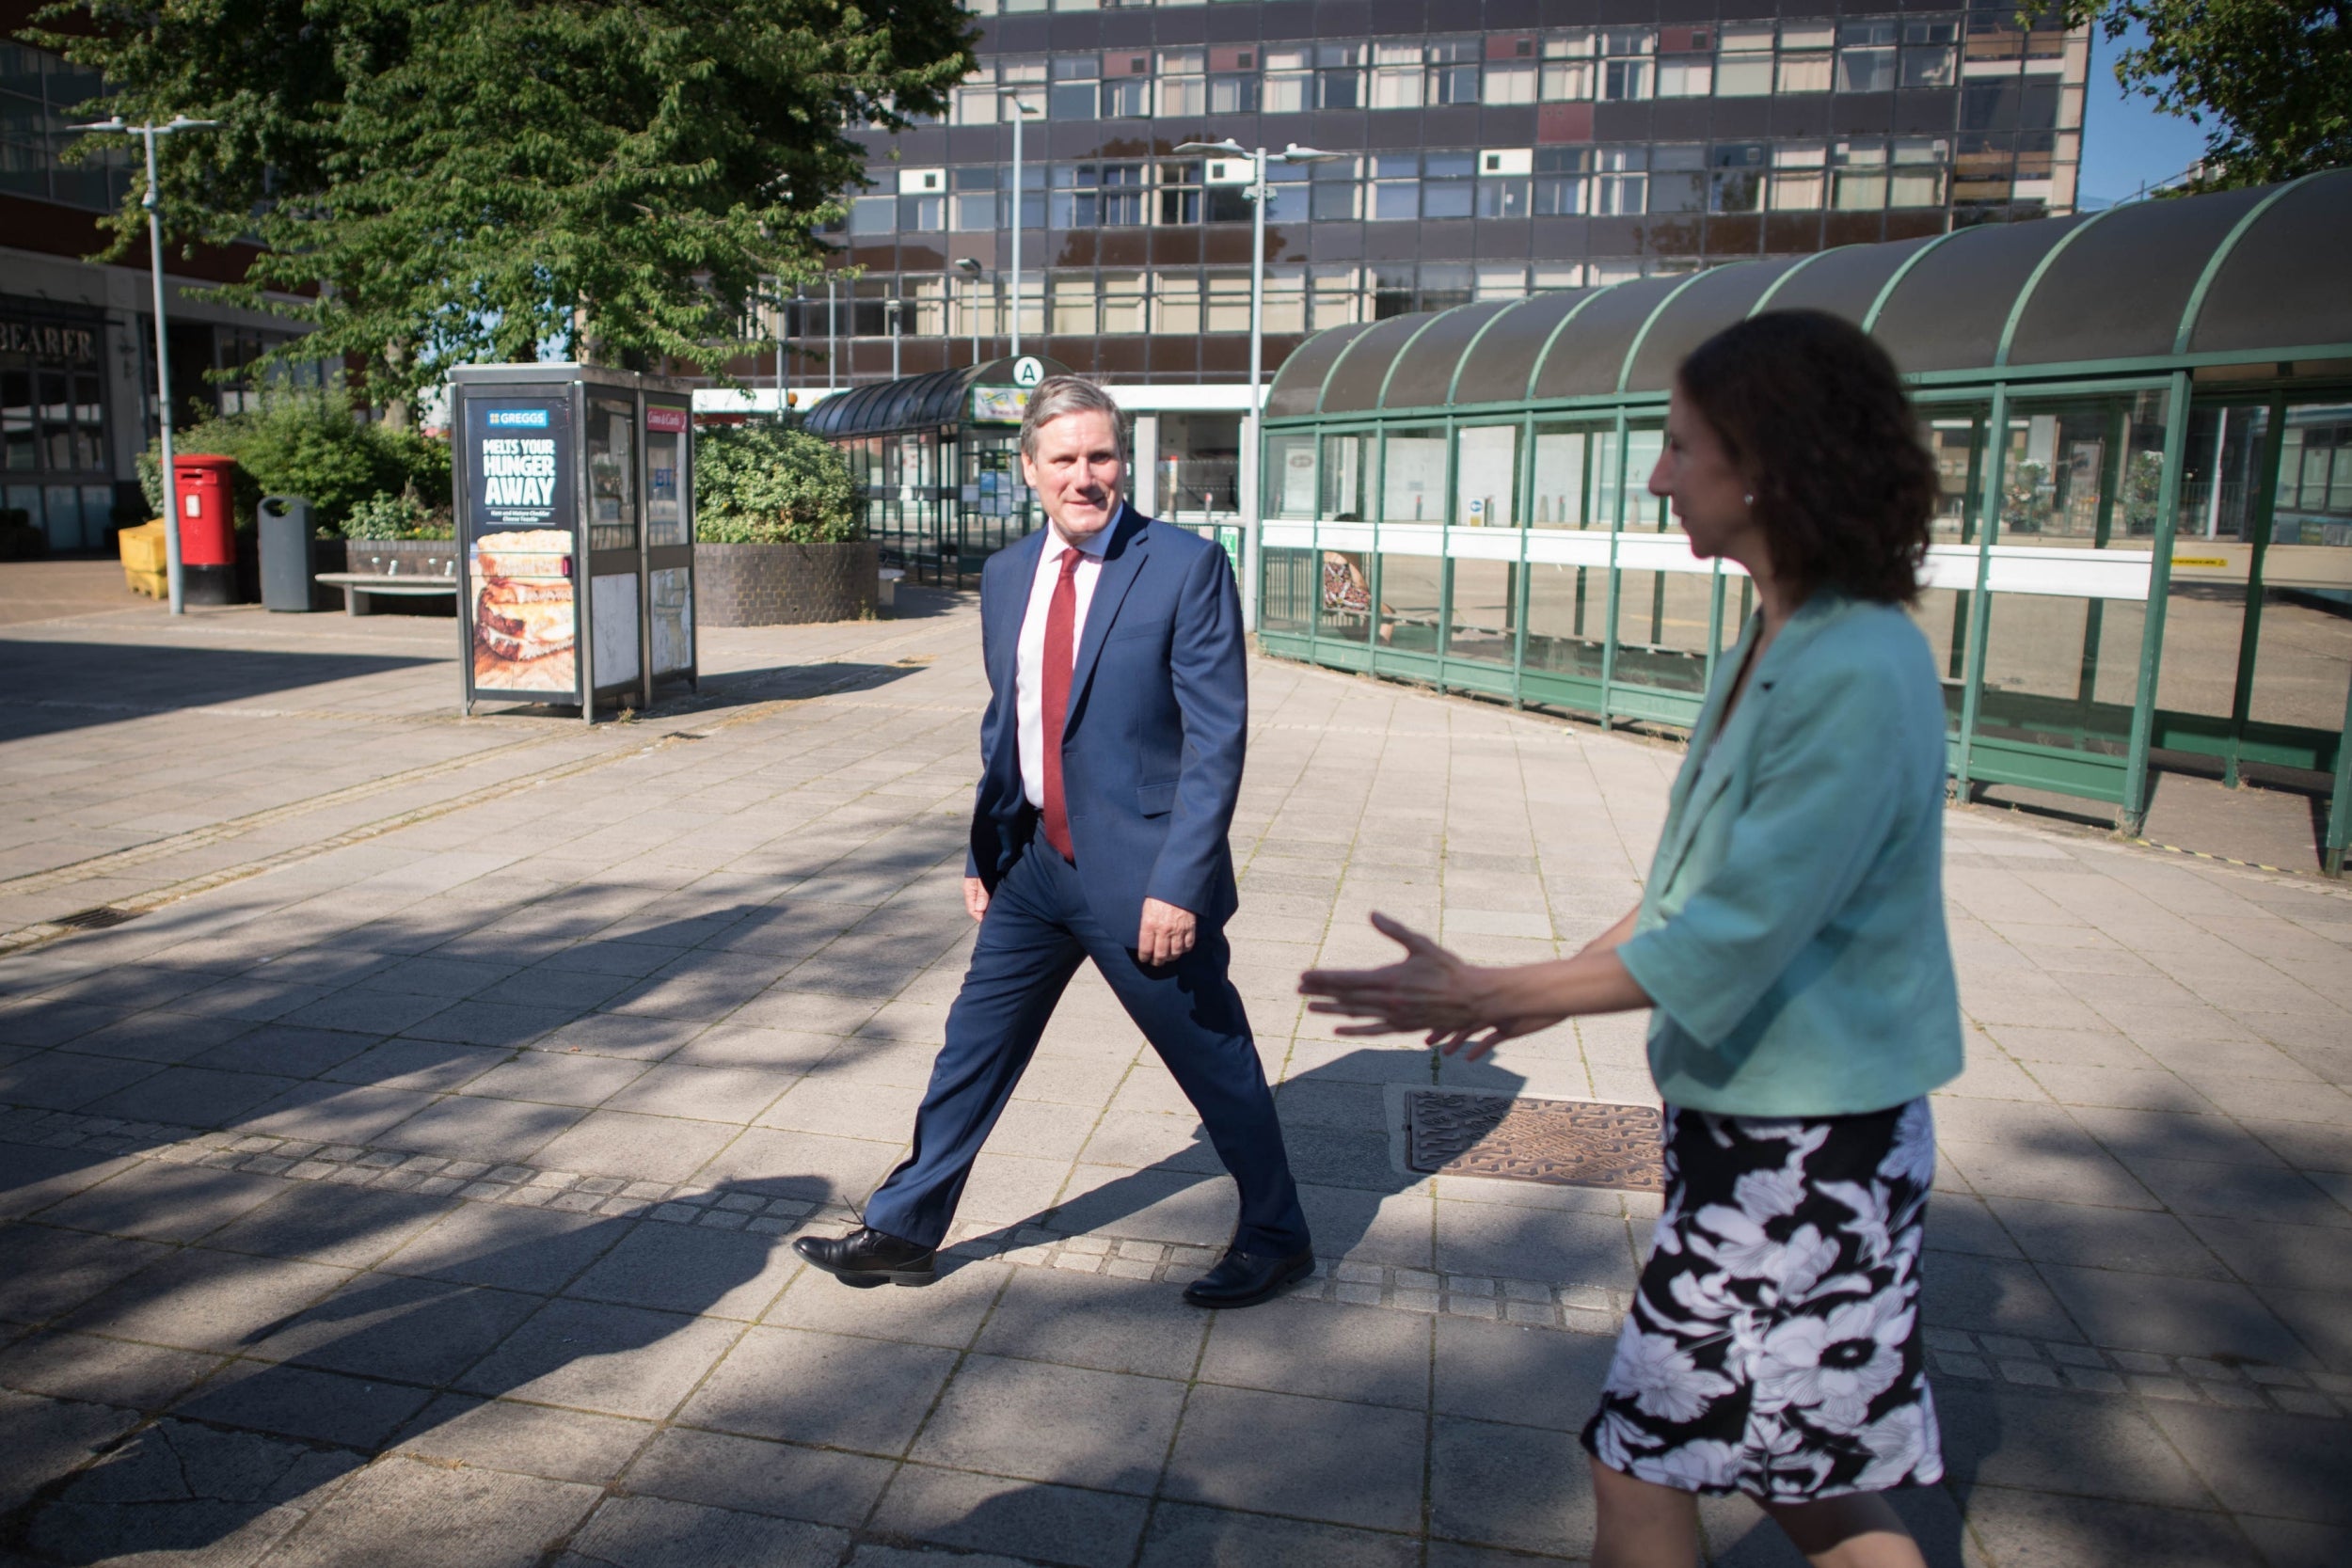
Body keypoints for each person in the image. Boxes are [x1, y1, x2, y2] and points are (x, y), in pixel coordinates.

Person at [1298, 310, 1963, 1568]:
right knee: (1807, 1483)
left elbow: (1738, 933)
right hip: (1758, 1138)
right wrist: (1537, 992)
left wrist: (1504, 983)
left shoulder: (1856, 666)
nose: (1659, 475)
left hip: (1811, 1154)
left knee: (1642, 1459)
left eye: (1681, 446)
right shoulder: (1775, 640)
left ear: (1766, 463)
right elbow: (1688, 886)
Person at [796, 375, 1314, 1308]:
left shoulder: (1184, 565)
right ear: (1030, 468)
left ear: (1124, 461)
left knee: (1211, 1055)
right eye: (1066, 458)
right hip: (1033, 864)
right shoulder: (1003, 576)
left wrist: (1181, 883)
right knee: (972, 1045)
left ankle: (1278, 1234)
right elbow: (1013, 722)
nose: (1087, 475)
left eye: (1102, 455)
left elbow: (1215, 739)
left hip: (1142, 876)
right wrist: (981, 851)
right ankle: (907, 1228)